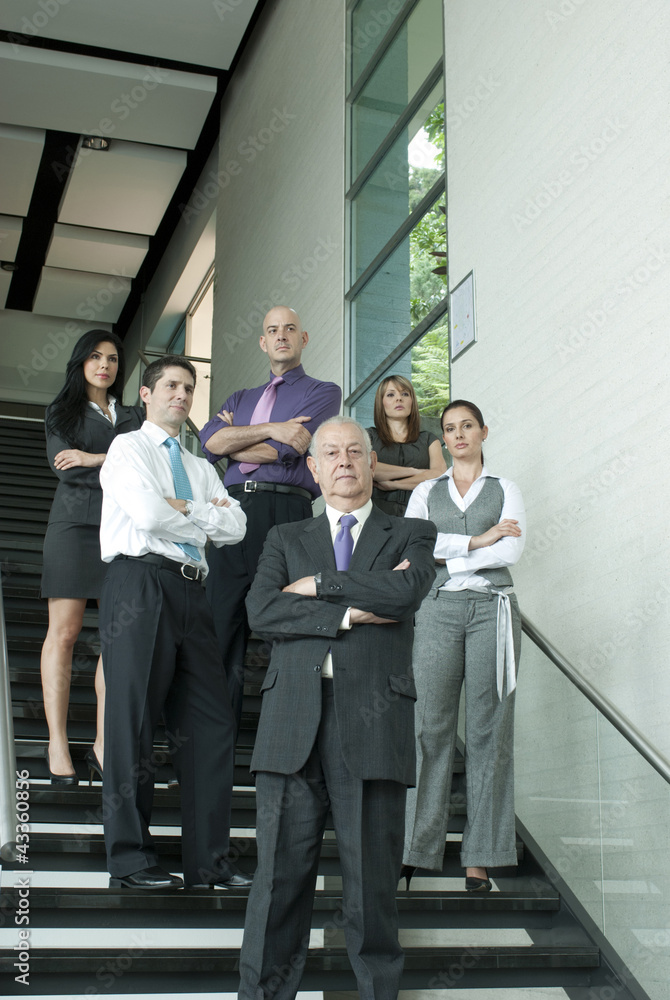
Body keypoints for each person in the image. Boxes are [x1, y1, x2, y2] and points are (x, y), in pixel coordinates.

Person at [238, 416, 437, 1000]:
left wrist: (317, 586)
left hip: (374, 722)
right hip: (290, 721)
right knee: (276, 884)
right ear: (315, 467)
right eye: (332, 452)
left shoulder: (411, 535)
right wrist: (352, 606)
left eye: (356, 450)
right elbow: (261, 613)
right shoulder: (283, 539)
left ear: (372, 464)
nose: (345, 460)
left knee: (372, 891)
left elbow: (404, 595)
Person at [98, 356, 250, 891]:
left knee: (212, 724)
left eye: (189, 388)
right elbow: (147, 514)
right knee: (132, 720)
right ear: (146, 394)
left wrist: (184, 506)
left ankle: (209, 864)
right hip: (139, 584)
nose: (181, 395)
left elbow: (236, 525)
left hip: (193, 591)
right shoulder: (127, 448)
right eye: (170, 386)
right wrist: (199, 513)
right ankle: (131, 858)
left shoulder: (202, 465)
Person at [402, 400, 525, 893]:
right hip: (436, 612)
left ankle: (482, 855)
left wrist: (447, 554)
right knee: (428, 727)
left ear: (482, 432)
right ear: (444, 438)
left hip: (494, 611)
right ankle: (417, 847)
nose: (457, 435)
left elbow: (511, 549)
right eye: (449, 429)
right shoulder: (426, 490)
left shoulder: (505, 489)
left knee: (489, 731)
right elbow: (413, 547)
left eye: (466, 426)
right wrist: (477, 542)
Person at [199, 306, 341, 730]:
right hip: (229, 513)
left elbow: (292, 449)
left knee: (289, 626)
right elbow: (208, 444)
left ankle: (288, 743)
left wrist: (234, 443)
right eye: (272, 331)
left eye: (290, 329)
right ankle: (214, 749)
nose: (281, 336)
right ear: (263, 341)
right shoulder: (239, 399)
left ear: (303, 339)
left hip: (286, 513)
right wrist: (273, 429)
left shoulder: (323, 392)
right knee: (220, 628)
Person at [40, 330, 143, 785]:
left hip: (122, 531)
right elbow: (65, 467)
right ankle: (57, 742)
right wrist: (103, 460)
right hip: (73, 529)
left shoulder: (134, 415)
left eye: (114, 359)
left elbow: (145, 467)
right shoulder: (60, 411)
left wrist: (92, 457)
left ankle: (103, 743)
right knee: (64, 635)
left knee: (116, 640)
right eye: (97, 356)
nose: (105, 365)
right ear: (81, 361)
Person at [368, 374, 446, 517]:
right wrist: (416, 471)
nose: (399, 398)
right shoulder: (368, 437)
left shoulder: (429, 439)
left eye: (405, 394)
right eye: (390, 394)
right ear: (381, 403)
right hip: (376, 515)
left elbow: (439, 476)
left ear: (412, 401)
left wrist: (393, 484)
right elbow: (368, 467)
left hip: (420, 515)